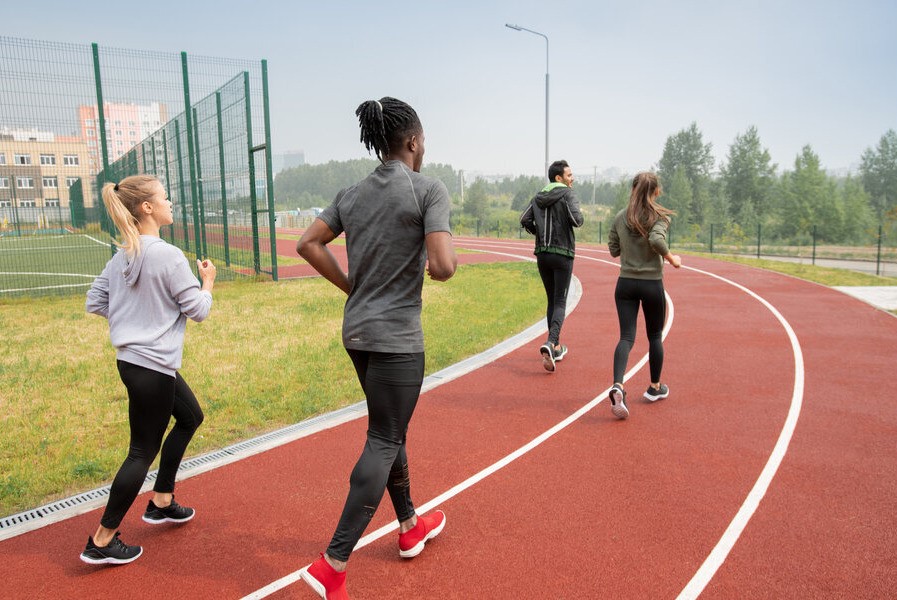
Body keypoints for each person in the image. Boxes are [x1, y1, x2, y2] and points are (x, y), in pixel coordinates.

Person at [296, 97, 457, 599]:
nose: (425, 147)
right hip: (397, 338)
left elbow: (308, 243)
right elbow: (444, 265)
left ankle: (409, 525)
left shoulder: (352, 192)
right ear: (412, 142)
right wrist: (437, 265)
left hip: (358, 336)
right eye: (424, 140)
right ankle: (332, 563)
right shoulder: (428, 189)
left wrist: (353, 288)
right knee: (384, 438)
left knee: (388, 428)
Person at [81, 174, 216, 565]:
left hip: (137, 362)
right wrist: (207, 281)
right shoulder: (169, 256)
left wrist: (131, 323)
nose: (170, 202)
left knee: (191, 417)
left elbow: (95, 301)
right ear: (147, 208)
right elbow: (199, 311)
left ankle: (161, 500)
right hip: (152, 366)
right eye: (165, 196)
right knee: (140, 452)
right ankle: (102, 541)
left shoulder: (121, 256)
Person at [606, 171, 681, 419]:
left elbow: (613, 251)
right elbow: (656, 239)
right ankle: (655, 387)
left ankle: (618, 384)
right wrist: (671, 258)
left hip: (625, 283)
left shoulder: (620, 217)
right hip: (651, 284)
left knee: (626, 337)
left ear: (632, 189)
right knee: (655, 336)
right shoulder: (659, 217)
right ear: (656, 192)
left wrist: (627, 244)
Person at [520, 159, 584, 372]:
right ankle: (550, 342)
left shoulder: (538, 196)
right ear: (559, 178)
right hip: (562, 253)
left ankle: (555, 347)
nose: (572, 178)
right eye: (569, 175)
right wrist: (575, 212)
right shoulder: (567, 194)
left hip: (542, 254)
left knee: (552, 300)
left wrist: (539, 233)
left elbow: (524, 219)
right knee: (559, 301)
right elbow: (577, 220)